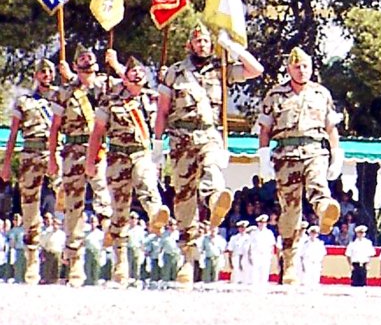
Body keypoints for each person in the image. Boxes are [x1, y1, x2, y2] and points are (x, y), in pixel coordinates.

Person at [155, 23, 263, 285]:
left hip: (209, 133)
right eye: (198, 41)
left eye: (206, 41)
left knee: (212, 167)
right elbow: (163, 110)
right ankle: (187, 256)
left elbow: (256, 70)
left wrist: (232, 47)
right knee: (184, 197)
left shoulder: (221, 68)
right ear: (189, 45)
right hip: (180, 139)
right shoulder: (174, 73)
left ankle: (216, 201)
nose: (202, 45)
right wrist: (157, 144)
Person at [256, 47, 342, 285]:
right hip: (286, 155)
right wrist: (263, 157)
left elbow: (331, 128)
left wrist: (336, 154)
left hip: (315, 150)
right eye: (297, 67)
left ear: (311, 68)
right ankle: (289, 262)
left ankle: (325, 211)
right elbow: (265, 129)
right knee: (290, 210)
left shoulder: (321, 93)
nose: (301, 70)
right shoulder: (275, 95)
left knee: (318, 187)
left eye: (305, 66)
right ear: (289, 69)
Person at [84, 56, 172, 286]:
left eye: (141, 71)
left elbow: (168, 114)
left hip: (141, 153)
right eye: (132, 71)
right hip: (117, 157)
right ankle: (120, 261)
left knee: (147, 184)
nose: (137, 74)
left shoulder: (153, 98)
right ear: (124, 77)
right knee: (120, 209)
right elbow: (97, 132)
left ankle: (156, 215)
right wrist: (91, 161)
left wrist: (166, 82)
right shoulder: (111, 100)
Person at [48, 46, 123, 286]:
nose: (86, 63)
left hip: (99, 150)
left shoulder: (106, 85)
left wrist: (116, 64)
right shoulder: (65, 92)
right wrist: (52, 157)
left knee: (105, 199)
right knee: (74, 207)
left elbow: (133, 84)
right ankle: (74, 261)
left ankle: (116, 251)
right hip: (72, 151)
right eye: (82, 60)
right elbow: (55, 127)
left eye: (90, 60)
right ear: (76, 66)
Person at [2, 59, 57, 285]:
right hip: (30, 153)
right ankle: (32, 259)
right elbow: (13, 134)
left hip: (54, 152)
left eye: (50, 71)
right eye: (42, 71)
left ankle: (67, 256)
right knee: (29, 206)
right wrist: (6, 163)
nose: (47, 75)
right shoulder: (24, 101)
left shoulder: (61, 97)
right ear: (36, 75)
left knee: (70, 198)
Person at [250, 214, 277, 286]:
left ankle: (263, 285)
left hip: (266, 254)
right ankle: (255, 285)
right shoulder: (253, 233)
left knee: (265, 270)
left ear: (266, 223)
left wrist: (271, 255)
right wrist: (251, 255)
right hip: (256, 254)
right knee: (255, 270)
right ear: (258, 223)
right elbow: (250, 245)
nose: (262, 224)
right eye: (260, 222)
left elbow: (272, 245)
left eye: (263, 222)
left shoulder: (269, 233)